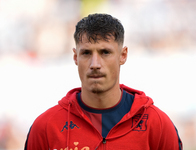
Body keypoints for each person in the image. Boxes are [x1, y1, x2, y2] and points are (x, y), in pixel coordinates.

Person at [24, 13, 182, 150]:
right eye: (86, 53)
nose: (95, 64)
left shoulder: (157, 125)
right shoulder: (46, 127)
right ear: (75, 57)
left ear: (123, 55)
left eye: (105, 52)